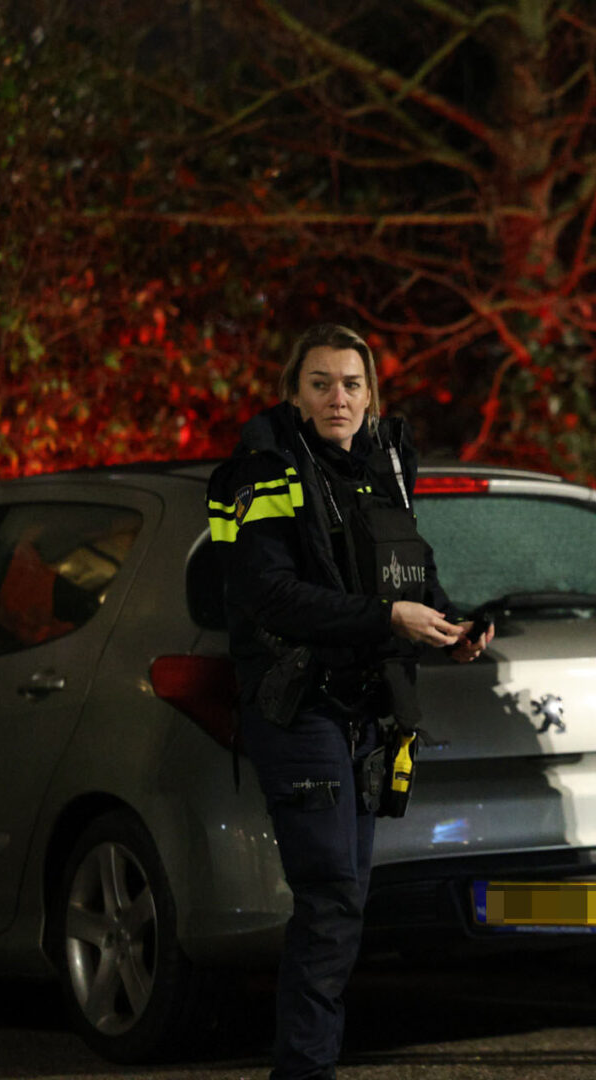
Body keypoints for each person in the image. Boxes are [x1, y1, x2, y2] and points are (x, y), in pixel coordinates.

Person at [206, 323, 492, 1080]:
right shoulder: (265, 471)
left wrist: (451, 628)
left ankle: (307, 1065)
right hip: (301, 704)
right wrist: (387, 619)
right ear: (295, 395)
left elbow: (410, 576)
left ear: (371, 396)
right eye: (322, 384)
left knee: (347, 902)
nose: (339, 398)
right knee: (331, 898)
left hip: (367, 711)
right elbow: (270, 594)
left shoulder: (381, 466)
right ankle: (305, 1071)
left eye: (352, 384)